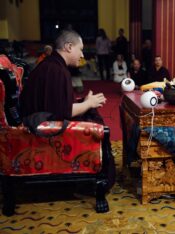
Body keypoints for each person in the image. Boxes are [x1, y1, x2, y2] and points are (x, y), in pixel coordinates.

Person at [19, 29, 115, 212]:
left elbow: (57, 105)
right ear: (69, 47)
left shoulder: (54, 65)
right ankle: (97, 176)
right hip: (40, 127)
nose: (82, 55)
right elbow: (61, 112)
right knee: (97, 122)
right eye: (80, 49)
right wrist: (89, 104)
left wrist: (86, 103)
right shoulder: (55, 70)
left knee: (91, 112)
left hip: (43, 117)